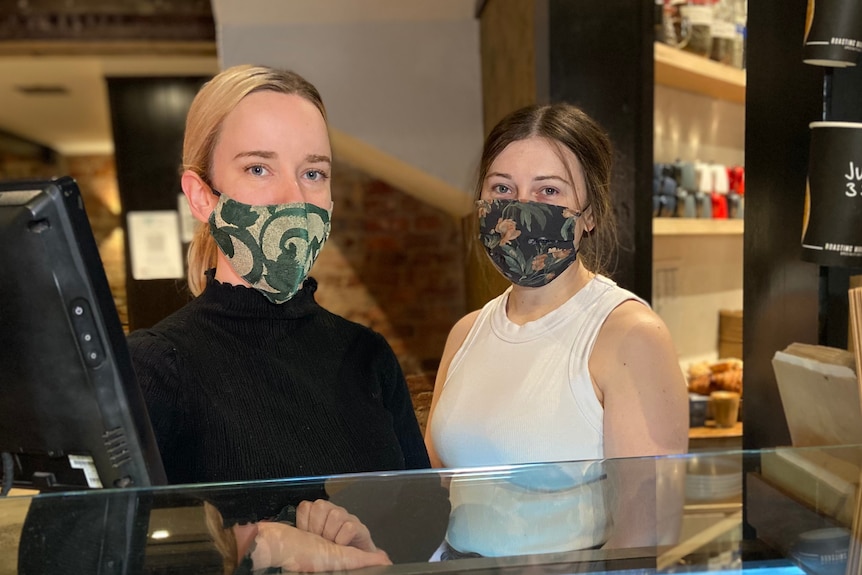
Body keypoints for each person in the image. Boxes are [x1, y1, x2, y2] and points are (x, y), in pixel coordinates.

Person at [127, 64, 430, 500]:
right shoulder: (155, 367)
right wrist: (251, 543)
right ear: (201, 196)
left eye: (313, 173)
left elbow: (424, 518)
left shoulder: (368, 356)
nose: (294, 199)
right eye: (258, 169)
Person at [423, 103, 689, 556]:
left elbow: (647, 537)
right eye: (502, 187)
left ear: (589, 215)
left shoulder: (629, 333)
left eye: (548, 191)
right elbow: (432, 488)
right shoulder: (466, 332)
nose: (521, 207)